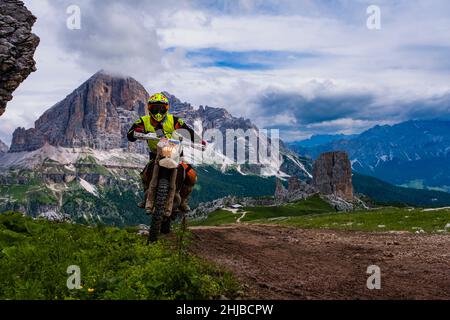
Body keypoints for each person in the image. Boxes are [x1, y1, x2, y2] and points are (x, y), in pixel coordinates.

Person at [127, 92, 205, 213]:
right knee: (145, 174)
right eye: (155, 108)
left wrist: (199, 141)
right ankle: (147, 196)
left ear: (166, 109)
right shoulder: (143, 120)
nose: (158, 111)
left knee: (191, 175)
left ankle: (183, 200)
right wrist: (136, 131)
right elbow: (130, 135)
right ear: (149, 108)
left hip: (177, 154)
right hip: (156, 154)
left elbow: (187, 130)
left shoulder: (174, 120)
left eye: (161, 108)